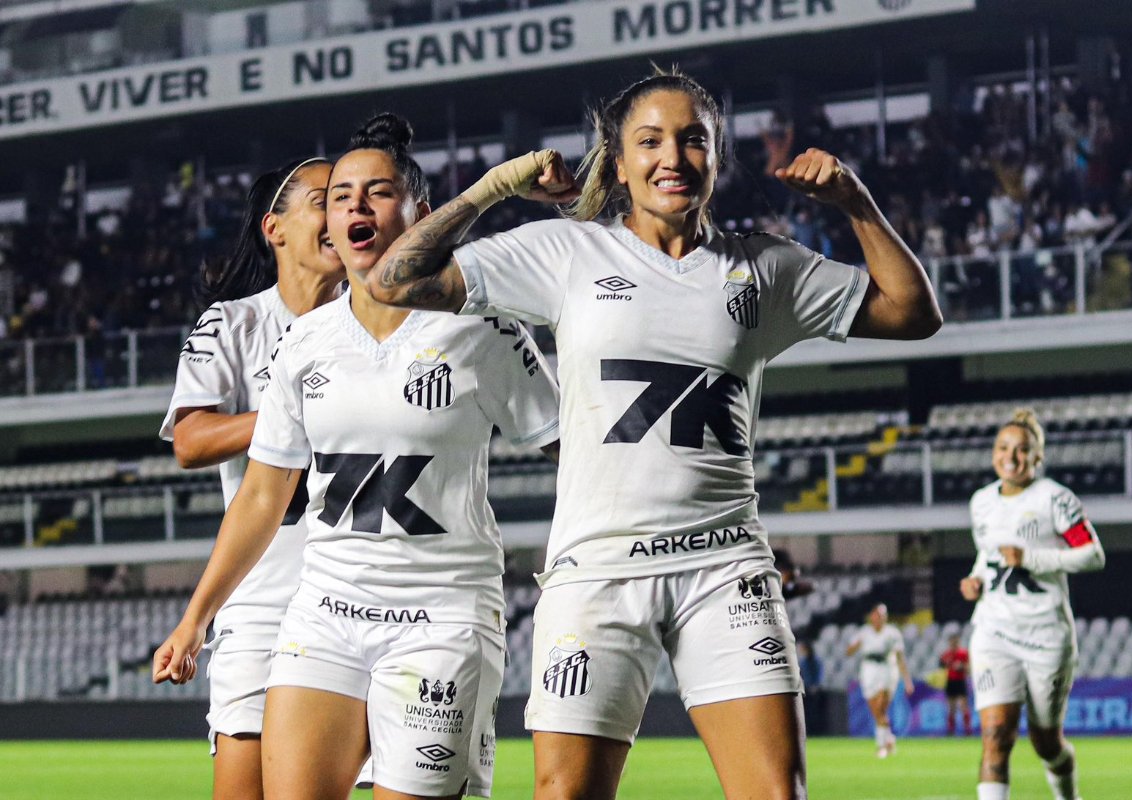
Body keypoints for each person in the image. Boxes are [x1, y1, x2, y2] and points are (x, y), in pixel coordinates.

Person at [357, 69, 940, 799]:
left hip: (725, 567)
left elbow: (914, 313)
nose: (674, 157)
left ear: (717, 155)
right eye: (651, 141)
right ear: (620, 158)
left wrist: (856, 204)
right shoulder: (565, 254)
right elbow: (393, 282)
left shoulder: (763, 266)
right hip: (597, 572)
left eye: (694, 139)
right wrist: (492, 190)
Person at [153, 114, 562, 800]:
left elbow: (574, 453)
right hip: (326, 615)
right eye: (340, 196)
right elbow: (259, 495)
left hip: (442, 616)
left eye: (376, 193)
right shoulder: (304, 343)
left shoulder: (484, 328)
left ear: (421, 214)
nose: (353, 208)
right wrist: (195, 619)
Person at [159, 156, 344, 800]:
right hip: (262, 598)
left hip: (361, 589)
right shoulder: (232, 324)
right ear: (276, 228)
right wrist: (285, 413)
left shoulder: (380, 323)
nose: (344, 211)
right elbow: (190, 440)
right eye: (324, 198)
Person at [960, 409, 1105, 800]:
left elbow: (1093, 554)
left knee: (1046, 742)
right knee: (995, 736)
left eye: (1023, 450)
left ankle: (1067, 793)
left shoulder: (1055, 499)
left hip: (1046, 635)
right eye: (1004, 447)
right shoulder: (981, 502)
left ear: (1038, 458)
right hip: (994, 631)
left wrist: (1031, 559)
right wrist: (976, 579)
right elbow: (988, 554)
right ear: (993, 453)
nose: (1011, 456)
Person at [846, 604, 914, 758]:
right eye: (877, 615)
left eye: (882, 615)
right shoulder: (864, 632)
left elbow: (899, 657)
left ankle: (881, 745)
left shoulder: (892, 633)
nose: (879, 618)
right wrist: (856, 645)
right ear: (872, 616)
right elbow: (848, 651)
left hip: (887, 669)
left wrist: (907, 680)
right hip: (869, 670)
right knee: (876, 711)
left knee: (881, 707)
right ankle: (889, 738)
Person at [940, 633, 971, 735]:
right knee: (951, 707)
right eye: (952, 642)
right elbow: (941, 667)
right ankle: (951, 730)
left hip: (960, 680)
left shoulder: (963, 653)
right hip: (950, 681)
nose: (953, 644)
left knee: (963, 705)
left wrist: (961, 667)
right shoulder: (946, 654)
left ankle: (967, 729)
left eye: (955, 641)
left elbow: (969, 669)